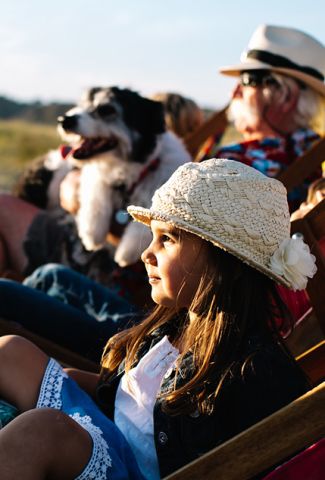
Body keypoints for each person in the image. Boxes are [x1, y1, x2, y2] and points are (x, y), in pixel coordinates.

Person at [0, 159, 316, 479]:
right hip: (104, 432)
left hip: (131, 470)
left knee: (39, 432)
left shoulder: (255, 371)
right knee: (11, 352)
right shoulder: (173, 327)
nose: (146, 254)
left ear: (223, 263)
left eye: (167, 240)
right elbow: (128, 399)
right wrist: (57, 379)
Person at [198, 24, 325, 212]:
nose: (234, 91)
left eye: (247, 80)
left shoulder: (233, 162)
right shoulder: (318, 158)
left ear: (286, 97)